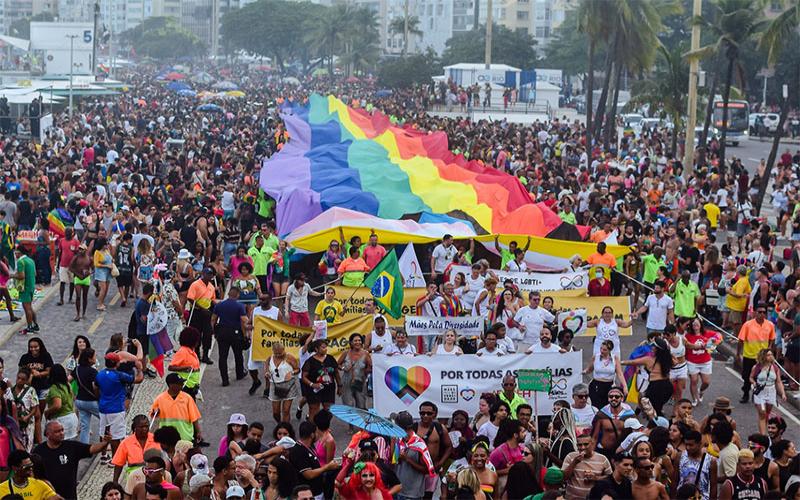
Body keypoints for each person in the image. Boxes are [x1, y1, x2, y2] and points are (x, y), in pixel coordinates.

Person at [32, 421, 109, 499]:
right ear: (48, 434)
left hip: (69, 496)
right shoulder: (39, 451)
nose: (61, 433)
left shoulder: (71, 447)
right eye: (57, 431)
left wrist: (105, 442)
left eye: (62, 430)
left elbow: (91, 449)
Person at [97, 351, 140, 457]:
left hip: (103, 408)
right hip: (116, 409)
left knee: (103, 433)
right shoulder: (119, 375)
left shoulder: (100, 374)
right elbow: (138, 379)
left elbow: (95, 387)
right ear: (117, 363)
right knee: (116, 436)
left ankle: (103, 456)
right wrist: (139, 369)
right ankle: (115, 458)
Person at [622, 338, 674, 416]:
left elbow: (631, 362)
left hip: (655, 387)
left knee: (652, 409)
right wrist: (667, 351)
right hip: (668, 387)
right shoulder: (668, 359)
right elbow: (676, 361)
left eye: (653, 346)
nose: (651, 348)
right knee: (656, 408)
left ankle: (656, 424)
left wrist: (617, 362)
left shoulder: (648, 360)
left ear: (657, 349)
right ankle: (657, 422)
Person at [287, 421, 339, 500]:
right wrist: (327, 467)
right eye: (317, 433)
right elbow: (309, 474)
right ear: (312, 435)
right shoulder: (298, 451)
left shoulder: (309, 447)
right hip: (308, 495)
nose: (318, 435)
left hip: (317, 491)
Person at [149, 373, 205, 445]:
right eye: (179, 383)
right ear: (171, 385)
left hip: (185, 438)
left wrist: (198, 432)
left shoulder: (187, 398)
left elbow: (194, 418)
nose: (182, 385)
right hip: (167, 439)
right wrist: (155, 412)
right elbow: (154, 418)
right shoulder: (160, 399)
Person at [211, 286, 249, 386]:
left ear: (228, 294)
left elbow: (213, 319)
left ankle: (225, 379)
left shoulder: (219, 305)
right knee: (238, 354)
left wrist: (214, 331)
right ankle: (239, 373)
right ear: (237, 295)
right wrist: (246, 334)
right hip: (235, 332)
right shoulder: (240, 306)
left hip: (222, 331)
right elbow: (244, 321)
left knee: (223, 356)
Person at [738, 305, 776, 403]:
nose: (762, 314)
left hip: (763, 357)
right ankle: (745, 393)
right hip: (749, 355)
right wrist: (738, 354)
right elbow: (741, 340)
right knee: (746, 376)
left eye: (764, 312)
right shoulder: (747, 325)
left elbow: (772, 338)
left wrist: (770, 349)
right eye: (759, 312)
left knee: (761, 376)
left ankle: (757, 395)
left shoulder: (770, 325)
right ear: (755, 313)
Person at [18, 337, 53, 444]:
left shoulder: (46, 356)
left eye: (35, 347)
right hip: (29, 389)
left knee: (39, 413)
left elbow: (49, 371)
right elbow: (20, 371)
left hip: (43, 387)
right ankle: (34, 437)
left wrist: (39, 374)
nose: (33, 349)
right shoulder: (25, 357)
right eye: (31, 347)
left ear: (40, 346)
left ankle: (36, 438)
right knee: (31, 413)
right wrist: (30, 372)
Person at [394, 411, 435, 500]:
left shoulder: (419, 444)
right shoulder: (399, 441)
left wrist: (407, 459)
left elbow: (425, 470)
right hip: (398, 490)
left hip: (412, 494)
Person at [110, 415, 159, 486]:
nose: (145, 429)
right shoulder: (126, 443)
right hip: (134, 477)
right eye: (141, 427)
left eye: (146, 426)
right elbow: (119, 464)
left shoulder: (156, 439)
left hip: (153, 476)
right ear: (135, 428)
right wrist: (115, 482)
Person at [561, 432, 611, 500]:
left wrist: (596, 478)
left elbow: (610, 478)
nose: (582, 447)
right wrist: (574, 463)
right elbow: (564, 477)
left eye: (586, 444)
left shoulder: (602, 459)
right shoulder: (570, 457)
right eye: (579, 445)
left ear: (592, 444)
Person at [749, 348, 787, 435]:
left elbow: (778, 381)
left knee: (767, 413)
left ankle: (764, 429)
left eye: (771, 355)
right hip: (760, 393)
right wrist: (754, 382)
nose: (770, 357)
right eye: (768, 355)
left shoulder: (775, 368)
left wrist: (783, 393)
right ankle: (763, 435)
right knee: (762, 413)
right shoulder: (756, 367)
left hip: (771, 392)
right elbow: (751, 377)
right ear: (763, 356)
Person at [301, 339, 339, 420]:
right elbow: (304, 377)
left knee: (328, 410)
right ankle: (313, 430)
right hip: (314, 390)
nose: (325, 349)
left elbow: (336, 372)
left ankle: (325, 429)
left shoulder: (330, 358)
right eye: (323, 347)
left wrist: (340, 386)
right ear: (316, 349)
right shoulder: (310, 361)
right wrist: (312, 384)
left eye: (326, 347)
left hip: (329, 389)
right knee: (314, 410)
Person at [186, 268, 218, 364]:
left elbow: (212, 300)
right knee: (196, 334)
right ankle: (196, 354)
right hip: (197, 312)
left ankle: (205, 355)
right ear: (203, 274)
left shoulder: (211, 287)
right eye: (208, 274)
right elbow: (190, 298)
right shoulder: (195, 284)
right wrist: (201, 308)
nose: (209, 276)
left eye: (211, 274)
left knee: (208, 334)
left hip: (207, 313)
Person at [583, 340, 626, 409]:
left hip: (609, 386)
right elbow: (589, 369)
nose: (602, 351)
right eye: (601, 349)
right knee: (596, 407)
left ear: (610, 350)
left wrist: (625, 386)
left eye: (604, 350)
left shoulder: (615, 358)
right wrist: (583, 372)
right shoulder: (595, 357)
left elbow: (620, 374)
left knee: (608, 408)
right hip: (596, 385)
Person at [43, 365, 79, 440]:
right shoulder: (67, 385)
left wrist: (47, 412)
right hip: (72, 417)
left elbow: (57, 405)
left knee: (59, 445)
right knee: (70, 445)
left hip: (61, 420)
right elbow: (73, 398)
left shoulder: (54, 388)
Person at [267, 342, 299, 423]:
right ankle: (280, 424)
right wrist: (267, 373)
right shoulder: (269, 358)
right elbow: (266, 367)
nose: (278, 355)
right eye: (276, 353)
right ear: (273, 351)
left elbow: (298, 369)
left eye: (280, 353)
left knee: (286, 410)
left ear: (284, 350)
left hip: (289, 385)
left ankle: (285, 428)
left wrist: (291, 373)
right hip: (275, 385)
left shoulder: (289, 357)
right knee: (275, 413)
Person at [338, 333, 371, 411]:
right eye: (355, 341)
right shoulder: (346, 353)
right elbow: (337, 364)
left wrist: (366, 371)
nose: (358, 342)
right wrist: (343, 368)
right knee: (348, 406)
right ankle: (351, 423)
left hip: (360, 383)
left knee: (361, 406)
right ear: (351, 343)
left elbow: (370, 368)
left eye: (359, 340)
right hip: (346, 383)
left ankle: (359, 423)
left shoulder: (366, 354)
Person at [167, 327, 202, 399]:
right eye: (197, 340)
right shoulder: (182, 351)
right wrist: (184, 368)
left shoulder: (192, 351)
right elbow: (171, 367)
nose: (198, 343)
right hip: (185, 386)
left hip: (192, 385)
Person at [13, 245, 38, 334]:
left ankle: (29, 327)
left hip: (25, 287)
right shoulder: (30, 260)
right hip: (31, 285)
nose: (15, 255)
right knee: (30, 307)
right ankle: (35, 325)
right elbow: (35, 273)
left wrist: (11, 275)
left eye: (16, 253)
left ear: (19, 253)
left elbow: (21, 276)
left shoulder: (21, 261)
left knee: (26, 308)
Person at [56, 227, 79, 306]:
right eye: (66, 233)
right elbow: (60, 252)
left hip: (72, 266)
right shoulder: (61, 241)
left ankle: (70, 298)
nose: (67, 235)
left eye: (69, 233)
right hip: (63, 265)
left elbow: (77, 253)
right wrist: (58, 264)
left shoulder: (75, 242)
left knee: (72, 282)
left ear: (72, 234)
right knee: (62, 281)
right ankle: (61, 299)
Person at [93, 237, 114, 310]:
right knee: (103, 288)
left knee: (106, 288)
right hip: (101, 272)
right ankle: (99, 304)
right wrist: (106, 265)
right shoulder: (97, 252)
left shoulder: (107, 251)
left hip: (108, 272)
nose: (107, 245)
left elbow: (111, 258)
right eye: (106, 244)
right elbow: (96, 264)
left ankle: (102, 301)